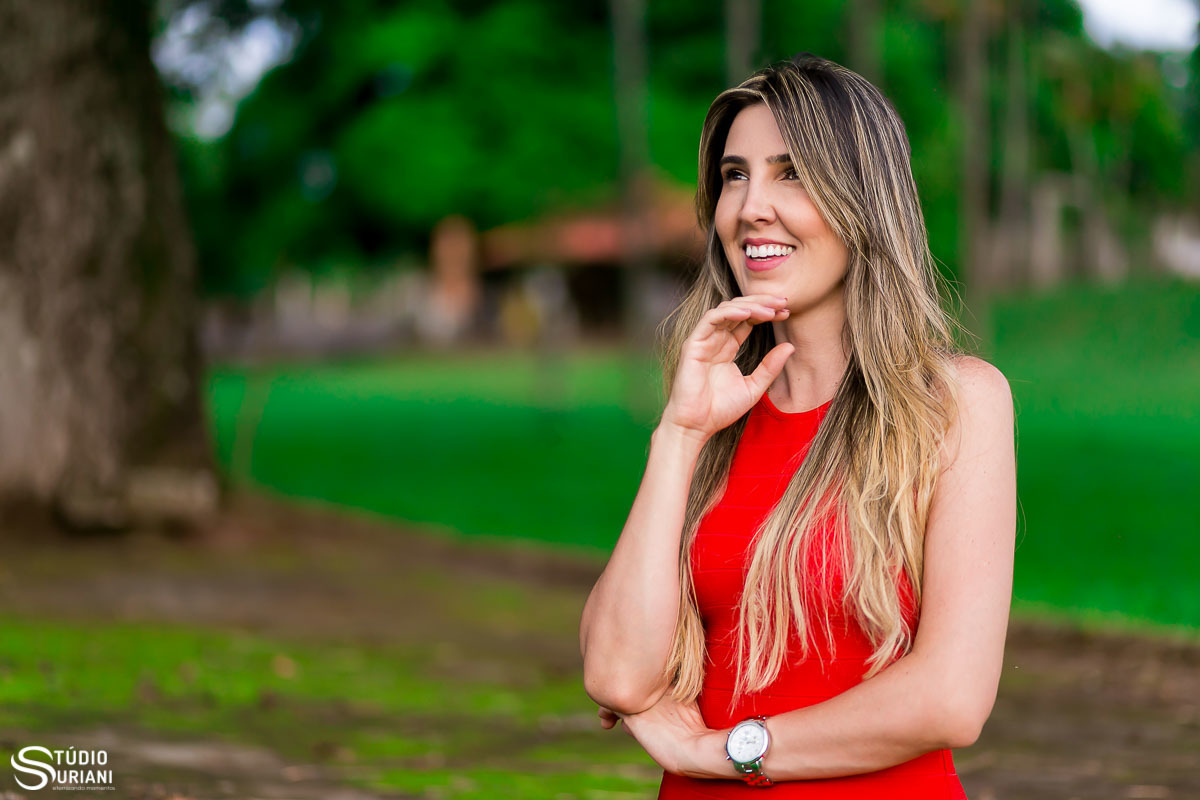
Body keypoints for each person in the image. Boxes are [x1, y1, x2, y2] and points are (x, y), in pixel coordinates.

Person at [578, 54, 1016, 798]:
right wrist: (680, 435)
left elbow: (951, 696)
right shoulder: (709, 417)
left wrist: (723, 752)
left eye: (792, 173)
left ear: (863, 202)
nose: (751, 207)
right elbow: (618, 674)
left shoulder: (954, 404)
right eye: (734, 175)